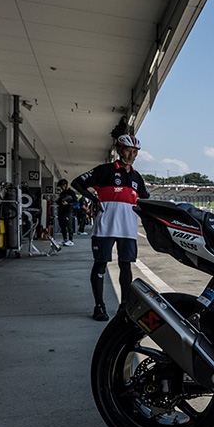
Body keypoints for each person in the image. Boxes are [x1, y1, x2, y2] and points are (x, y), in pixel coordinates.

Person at [71, 133, 150, 322]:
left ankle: (124, 307)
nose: (131, 155)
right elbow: (77, 183)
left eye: (134, 152)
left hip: (128, 229)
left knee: (126, 266)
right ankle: (99, 306)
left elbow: (145, 200)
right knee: (100, 264)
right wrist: (93, 199)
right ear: (119, 150)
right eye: (128, 151)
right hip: (105, 227)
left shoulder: (137, 177)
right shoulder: (104, 170)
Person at [55, 179, 78, 246]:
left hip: (68, 211)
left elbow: (75, 202)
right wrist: (56, 201)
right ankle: (64, 239)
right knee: (62, 226)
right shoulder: (62, 193)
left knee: (69, 226)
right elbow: (59, 201)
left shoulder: (72, 193)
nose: (61, 188)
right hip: (61, 211)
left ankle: (71, 240)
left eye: (62, 186)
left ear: (65, 185)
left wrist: (68, 204)